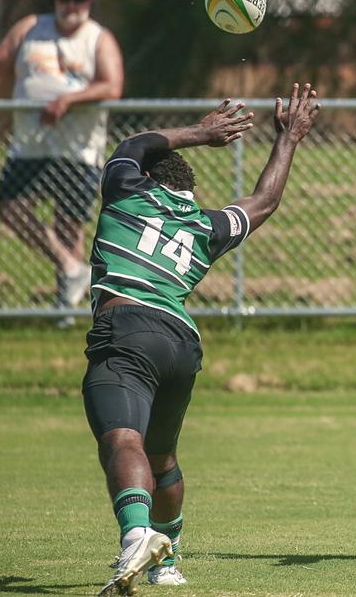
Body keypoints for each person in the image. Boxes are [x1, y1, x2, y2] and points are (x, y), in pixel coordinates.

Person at [82, 83, 320, 595]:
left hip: (126, 330)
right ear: (187, 193)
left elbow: (134, 146)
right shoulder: (201, 226)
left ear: (149, 180)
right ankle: (168, 561)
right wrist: (289, 137)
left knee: (124, 441)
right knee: (162, 456)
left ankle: (135, 536)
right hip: (181, 341)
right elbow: (264, 201)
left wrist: (201, 133)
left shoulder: (126, 188)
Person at [0, 0, 124, 314]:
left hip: (77, 149)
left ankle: (66, 311)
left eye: (77, 1)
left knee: (69, 225)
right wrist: (5, 114)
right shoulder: (30, 28)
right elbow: (3, 62)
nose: (70, 7)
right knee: (8, 206)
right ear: (55, 1)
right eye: (64, 0)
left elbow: (112, 86)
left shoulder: (98, 39)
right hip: (30, 144)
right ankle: (71, 269)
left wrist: (68, 100)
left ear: (88, 4)